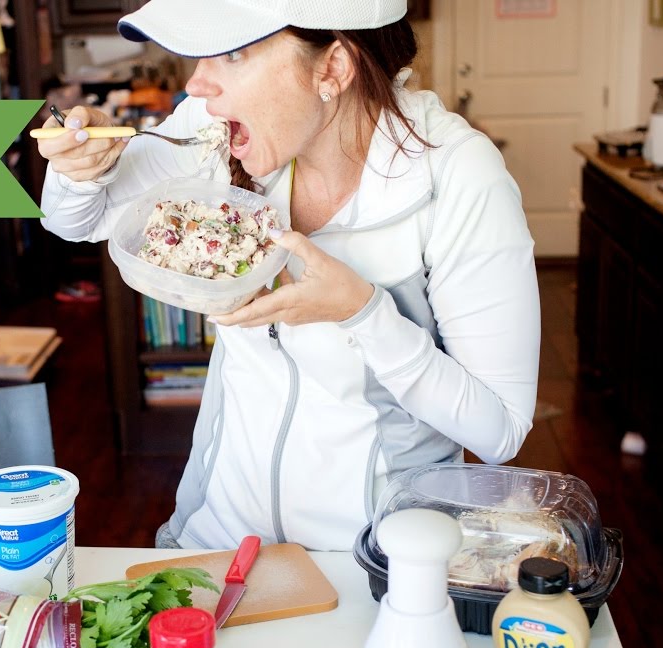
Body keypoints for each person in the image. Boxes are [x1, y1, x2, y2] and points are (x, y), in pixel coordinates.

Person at [36, 0, 541, 552]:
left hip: (370, 560)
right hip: (220, 541)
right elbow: (73, 222)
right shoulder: (213, 128)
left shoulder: (459, 175)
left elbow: (499, 431)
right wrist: (84, 167)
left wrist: (363, 313)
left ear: (333, 67)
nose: (196, 84)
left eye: (232, 54)